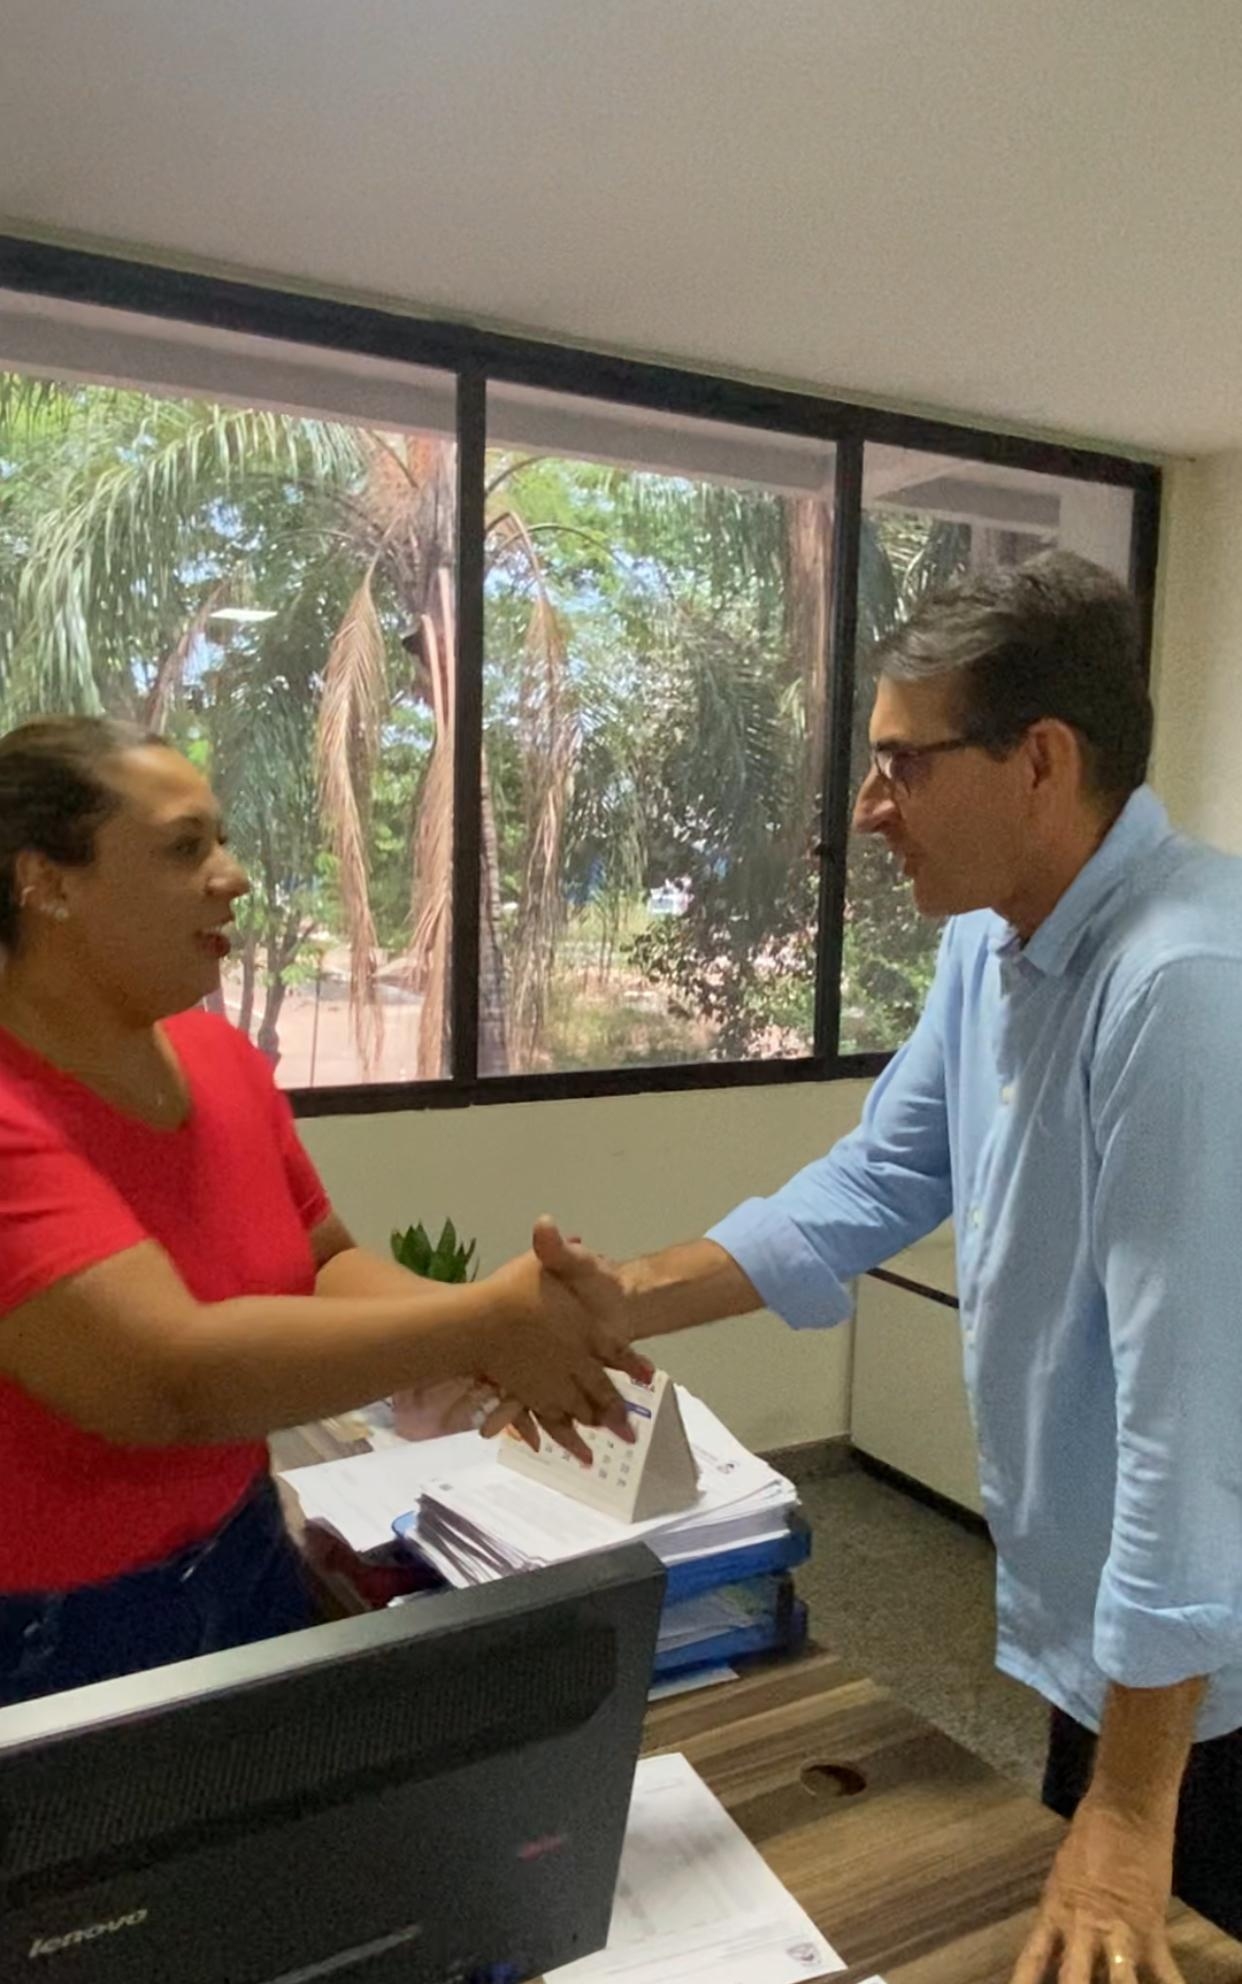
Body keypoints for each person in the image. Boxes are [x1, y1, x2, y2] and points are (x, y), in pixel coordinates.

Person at [536, 550, 1242, 1979]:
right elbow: (878, 1177)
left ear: (1039, 762)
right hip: (1123, 1638)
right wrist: (626, 1299)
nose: (869, 809)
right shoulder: (996, 945)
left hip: (1207, 1650)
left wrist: (1127, 1804)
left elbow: (1189, 1427)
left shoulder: (1179, 984)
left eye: (902, 764)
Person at [0, 717, 647, 1705]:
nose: (233, 877)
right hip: (53, 1637)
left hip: (246, 1555)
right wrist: (486, 1322)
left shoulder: (217, 1060)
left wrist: (501, 1332)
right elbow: (168, 1384)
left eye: (221, 841)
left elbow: (326, 1263)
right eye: (184, 847)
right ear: (47, 882)